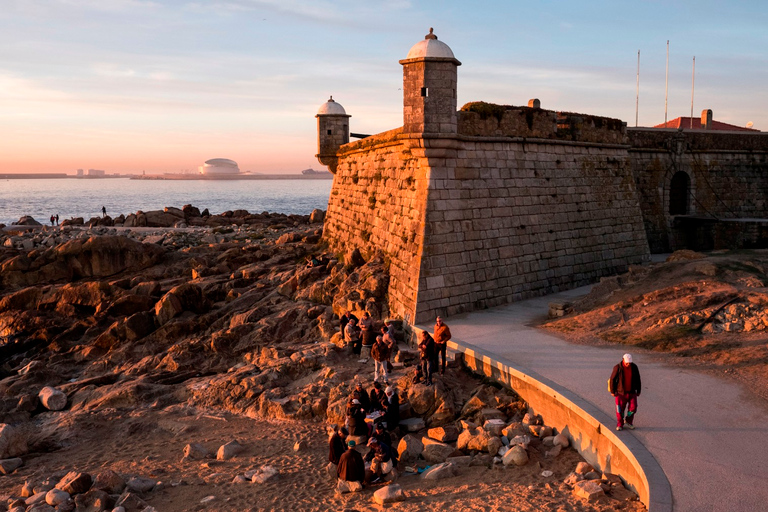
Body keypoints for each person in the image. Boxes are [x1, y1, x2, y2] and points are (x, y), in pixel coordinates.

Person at [609, 353, 642, 431]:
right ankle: (620, 424)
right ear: (623, 360)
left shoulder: (634, 367)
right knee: (620, 410)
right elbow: (612, 379)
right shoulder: (617, 368)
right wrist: (612, 391)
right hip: (620, 393)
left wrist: (638, 390)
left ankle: (628, 421)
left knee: (633, 408)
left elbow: (638, 379)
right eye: (627, 363)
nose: (628, 364)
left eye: (629, 363)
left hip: (632, 392)